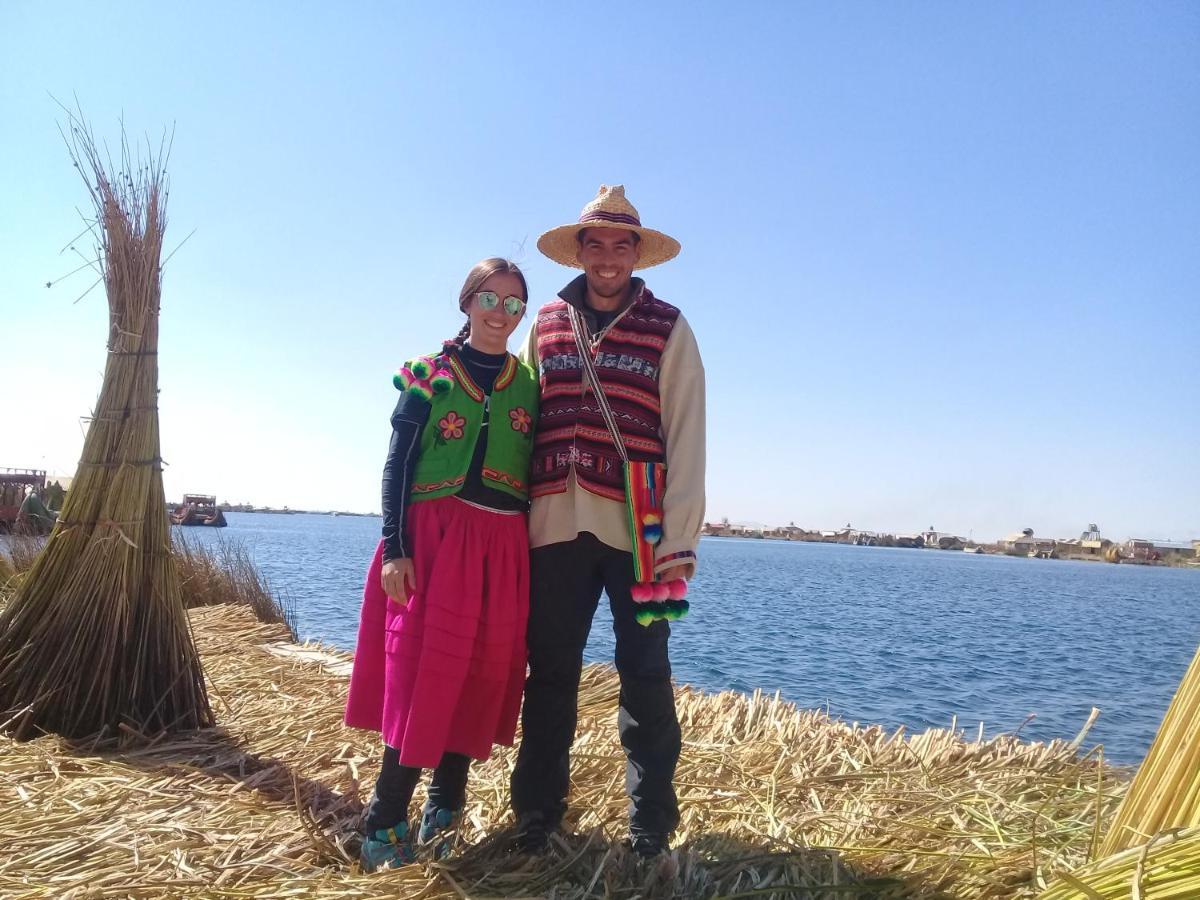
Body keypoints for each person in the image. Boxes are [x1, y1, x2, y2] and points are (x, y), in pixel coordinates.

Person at [510, 185, 706, 858]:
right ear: (581, 251)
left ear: (636, 254)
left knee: (646, 672)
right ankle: (535, 814)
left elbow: (686, 433)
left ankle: (650, 824)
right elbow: (523, 420)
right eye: (596, 245)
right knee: (551, 673)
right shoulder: (544, 325)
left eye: (621, 246)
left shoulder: (669, 327)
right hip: (553, 529)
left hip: (647, 533)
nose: (608, 258)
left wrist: (680, 540)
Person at [345, 258, 539, 872]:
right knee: (422, 678)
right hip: (433, 542)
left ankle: (445, 811)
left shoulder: (530, 383)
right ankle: (383, 820)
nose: (500, 314)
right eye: (490, 298)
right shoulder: (428, 375)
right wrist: (395, 545)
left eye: (514, 304)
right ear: (467, 301)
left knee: (479, 677)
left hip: (502, 544)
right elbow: (396, 466)